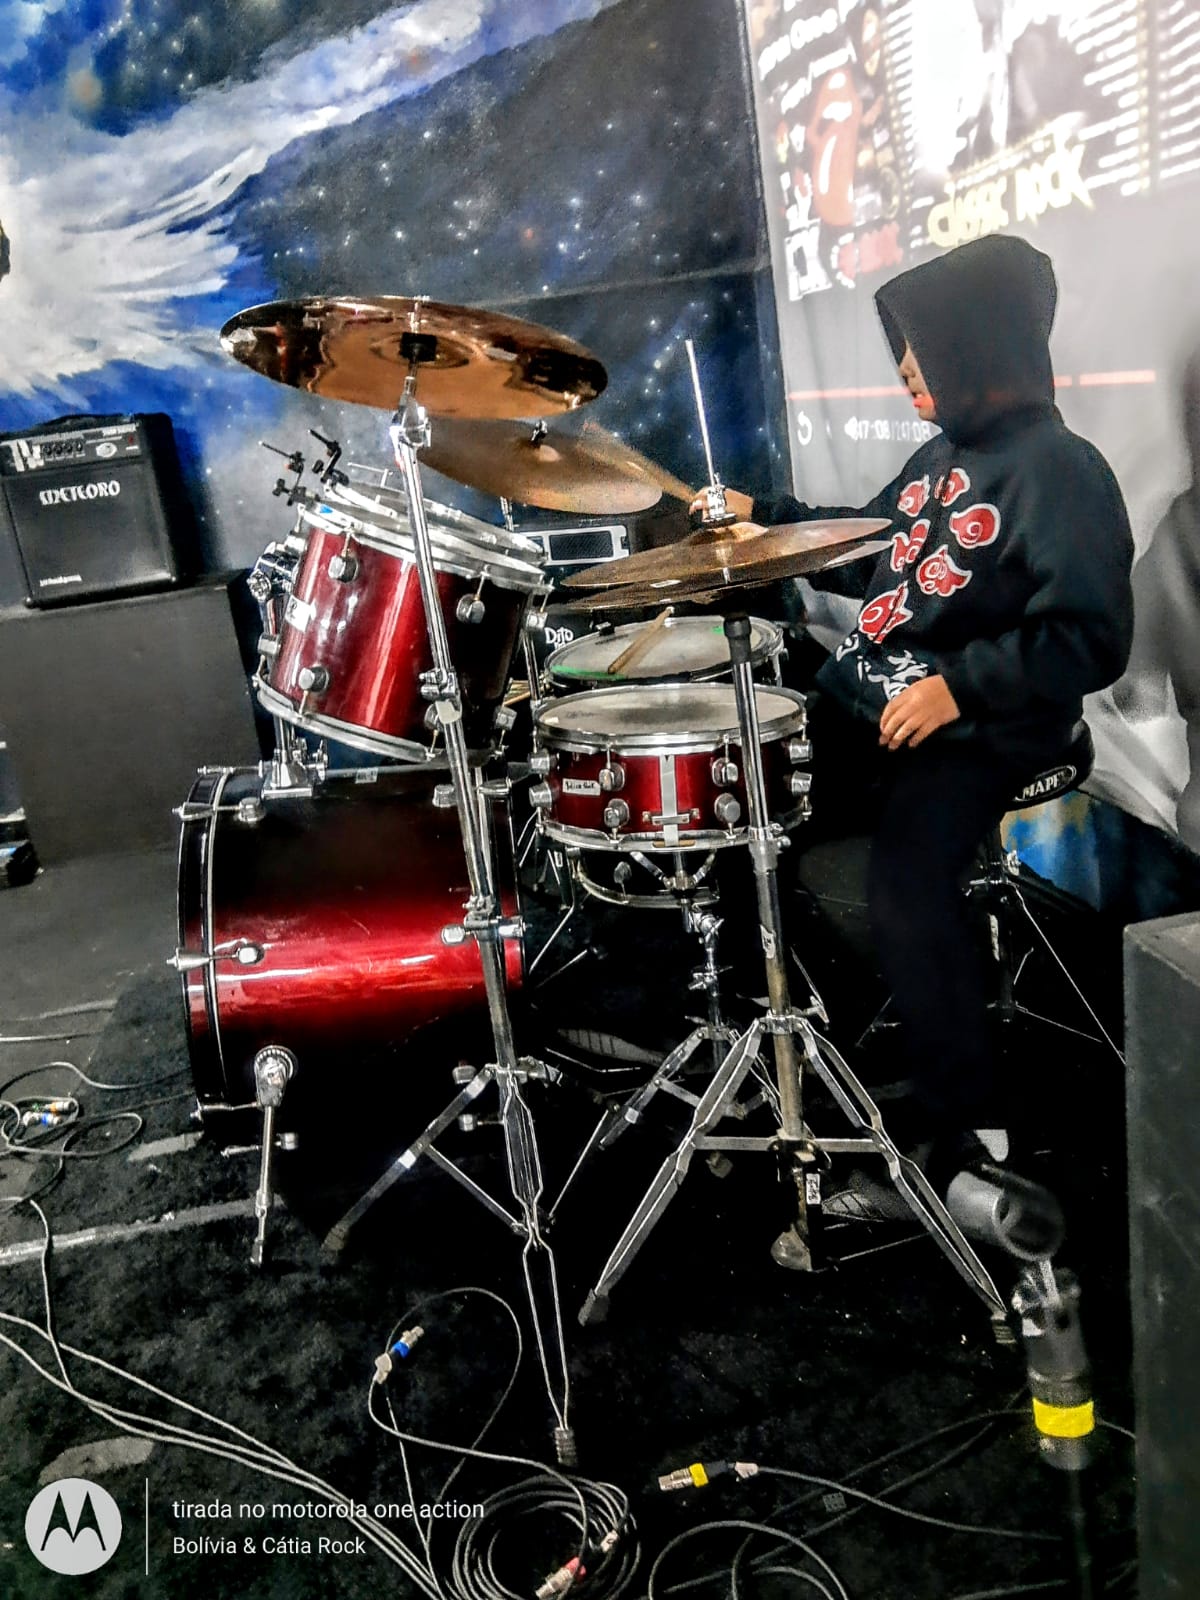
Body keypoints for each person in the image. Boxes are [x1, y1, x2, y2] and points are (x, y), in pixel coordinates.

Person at [712, 232, 1135, 1211]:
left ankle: (967, 1138)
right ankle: (798, 1042)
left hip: (992, 727)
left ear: (981, 347)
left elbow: (1090, 637)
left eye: (924, 347)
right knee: (743, 814)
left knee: (908, 886)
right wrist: (763, 516)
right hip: (881, 701)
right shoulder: (937, 456)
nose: (906, 368)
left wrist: (961, 688)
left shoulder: (1062, 471)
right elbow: (872, 550)